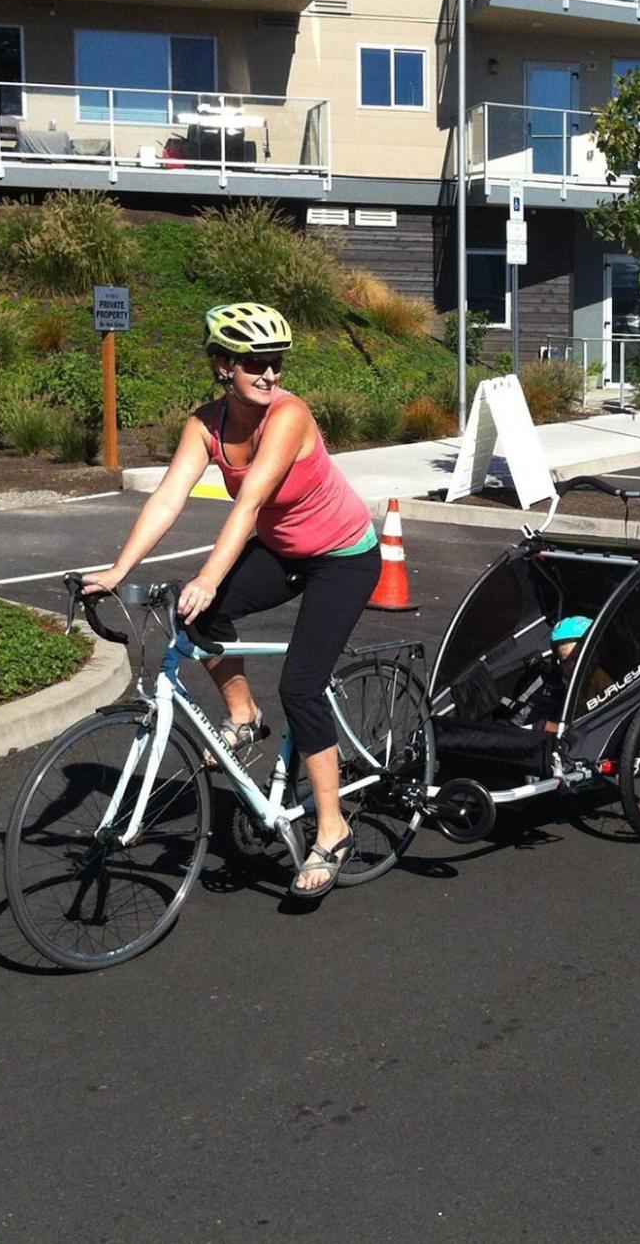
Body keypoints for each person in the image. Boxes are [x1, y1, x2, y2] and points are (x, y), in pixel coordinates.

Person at [83, 302, 380, 901]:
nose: (269, 374)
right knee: (202, 617)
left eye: (275, 363)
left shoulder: (289, 415)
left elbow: (246, 508)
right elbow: (170, 497)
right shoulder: (205, 425)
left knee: (300, 685)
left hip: (343, 557)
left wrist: (209, 576)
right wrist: (120, 569)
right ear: (222, 365)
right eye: (254, 364)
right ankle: (244, 716)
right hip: (284, 551)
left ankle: (332, 827)